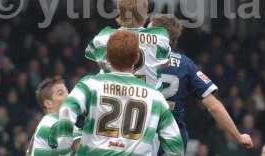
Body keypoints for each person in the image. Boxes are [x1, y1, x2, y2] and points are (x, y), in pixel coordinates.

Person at [50, 30, 184, 155]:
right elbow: (175, 145)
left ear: (107, 55)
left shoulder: (90, 85)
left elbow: (67, 110)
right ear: (137, 58)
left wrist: (64, 148)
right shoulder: (156, 98)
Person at [149, 14, 253, 152]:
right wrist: (238, 136)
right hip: (173, 138)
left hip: (142, 135)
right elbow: (214, 106)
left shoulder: (136, 59)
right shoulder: (186, 64)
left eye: (147, 30)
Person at [85, 0, 171, 89]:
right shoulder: (160, 36)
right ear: (145, 13)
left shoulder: (104, 37)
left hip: (111, 95)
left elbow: (94, 58)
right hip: (148, 99)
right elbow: (166, 63)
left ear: (119, 12)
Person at [27, 76, 80, 156]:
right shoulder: (50, 124)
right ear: (48, 103)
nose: (69, 96)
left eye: (67, 92)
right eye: (61, 93)